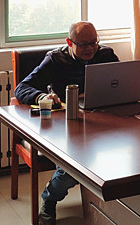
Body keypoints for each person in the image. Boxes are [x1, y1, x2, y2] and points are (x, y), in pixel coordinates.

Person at [14, 21, 119, 225]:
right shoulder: (56, 59)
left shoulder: (105, 54)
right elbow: (22, 88)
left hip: (102, 123)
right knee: (72, 170)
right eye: (84, 44)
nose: (90, 49)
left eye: (94, 42)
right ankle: (49, 198)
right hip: (65, 125)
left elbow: (120, 80)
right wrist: (42, 96)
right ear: (69, 42)